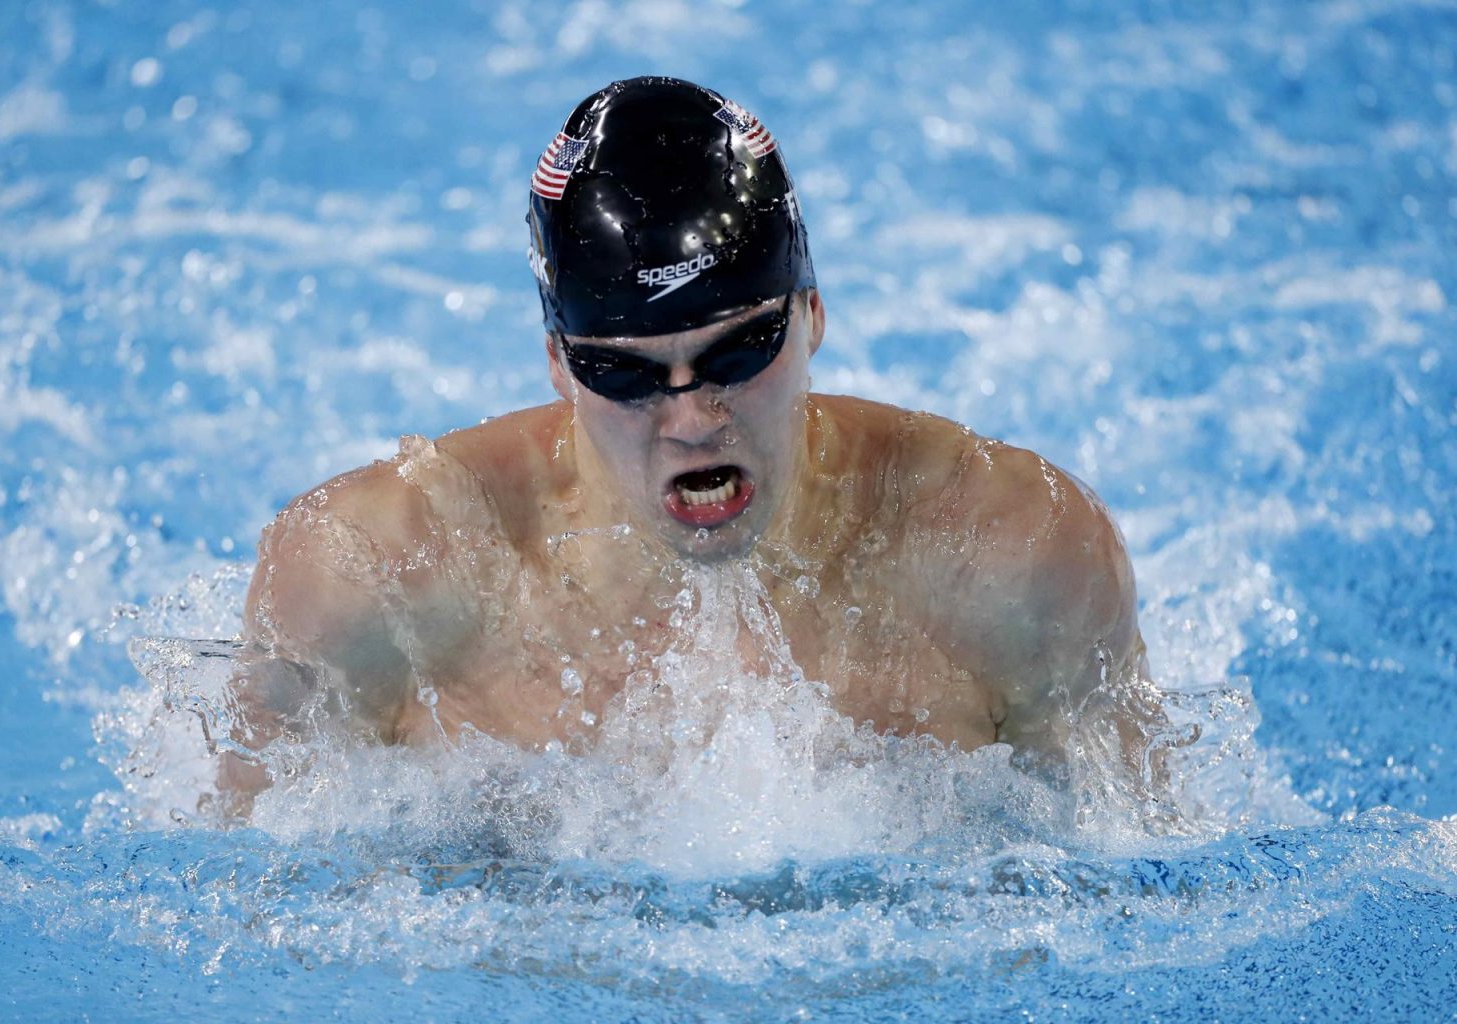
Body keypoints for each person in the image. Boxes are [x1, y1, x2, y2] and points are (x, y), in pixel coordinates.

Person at [219, 77, 1165, 803]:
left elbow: (1143, 903)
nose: (692, 416)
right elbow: (241, 926)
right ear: (557, 363)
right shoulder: (374, 579)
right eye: (623, 372)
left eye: (740, 347)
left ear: (814, 317)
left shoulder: (1014, 560)